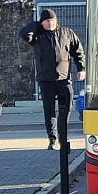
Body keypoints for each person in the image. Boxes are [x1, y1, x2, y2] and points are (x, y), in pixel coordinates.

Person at [19, 8, 85, 150]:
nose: (50, 24)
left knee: (66, 109)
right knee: (49, 111)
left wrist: (81, 68)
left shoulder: (66, 33)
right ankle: (52, 139)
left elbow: (78, 51)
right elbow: (24, 34)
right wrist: (36, 25)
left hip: (64, 79)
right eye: (47, 21)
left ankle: (63, 138)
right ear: (42, 23)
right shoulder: (37, 36)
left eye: (52, 21)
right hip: (46, 80)